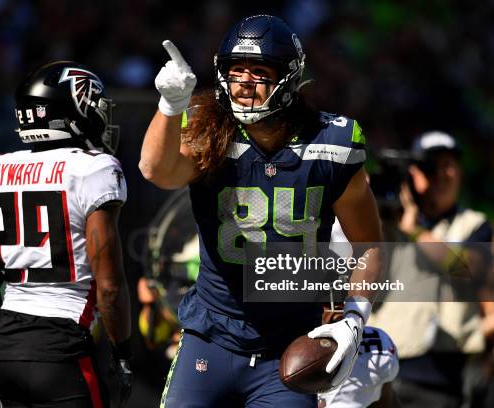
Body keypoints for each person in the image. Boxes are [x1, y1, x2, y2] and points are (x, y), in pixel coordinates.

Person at [140, 15, 384, 407]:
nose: (244, 82)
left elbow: (368, 244)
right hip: (212, 335)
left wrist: (355, 317)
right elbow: (156, 170)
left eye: (258, 71)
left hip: (286, 349)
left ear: (288, 78)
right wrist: (170, 105)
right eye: (236, 71)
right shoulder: (207, 129)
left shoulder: (332, 143)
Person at [0, 61, 132, 408]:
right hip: (63, 347)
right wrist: (122, 352)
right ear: (70, 111)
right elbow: (110, 287)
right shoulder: (93, 169)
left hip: (4, 347)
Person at [368, 131, 493, 408]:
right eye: (430, 167)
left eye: (449, 166)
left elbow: (467, 265)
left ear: (460, 174)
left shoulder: (473, 224)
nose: (440, 175)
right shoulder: (384, 221)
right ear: (411, 174)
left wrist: (414, 231)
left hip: (438, 377)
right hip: (377, 366)